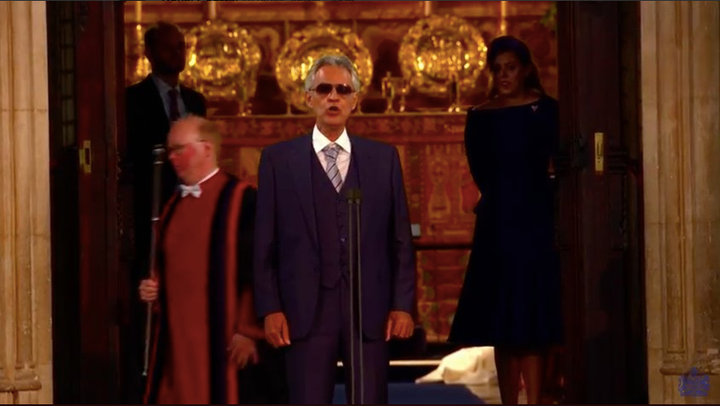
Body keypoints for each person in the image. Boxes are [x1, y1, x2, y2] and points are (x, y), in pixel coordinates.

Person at [253, 54, 417, 404]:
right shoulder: (277, 160)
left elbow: (400, 239)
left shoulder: (383, 159)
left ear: (355, 100)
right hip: (303, 311)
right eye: (324, 88)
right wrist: (270, 308)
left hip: (369, 309)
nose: (334, 97)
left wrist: (402, 305)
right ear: (308, 97)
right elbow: (264, 242)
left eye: (343, 89)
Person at [448, 35, 562, 405]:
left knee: (531, 320)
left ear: (526, 68)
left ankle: (536, 400)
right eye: (497, 70)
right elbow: (480, 169)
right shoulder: (481, 116)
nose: (503, 75)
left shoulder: (547, 110)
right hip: (498, 223)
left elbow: (557, 162)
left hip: (537, 220)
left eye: (510, 67)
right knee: (503, 321)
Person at [138, 115, 261, 404]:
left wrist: (248, 330)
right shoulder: (171, 205)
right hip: (176, 340)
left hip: (223, 341)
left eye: (180, 149)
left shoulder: (241, 200)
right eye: (170, 150)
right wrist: (154, 289)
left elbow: (258, 269)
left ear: (207, 149)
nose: (173, 157)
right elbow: (167, 265)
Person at [123, 21, 207, 401]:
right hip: (151, 212)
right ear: (150, 53)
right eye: (172, 47)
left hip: (193, 213)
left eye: (183, 45)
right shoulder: (131, 99)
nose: (180, 53)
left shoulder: (196, 101)